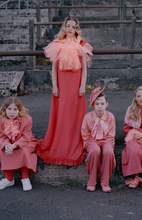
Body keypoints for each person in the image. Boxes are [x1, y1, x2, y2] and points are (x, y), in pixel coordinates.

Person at [37, 17, 93, 165]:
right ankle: (60, 141)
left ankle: (75, 141)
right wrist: (55, 86)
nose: (70, 29)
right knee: (62, 113)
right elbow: (54, 68)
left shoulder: (81, 45)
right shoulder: (57, 44)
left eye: (73, 27)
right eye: (68, 26)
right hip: (62, 83)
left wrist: (82, 86)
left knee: (75, 113)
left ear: (76, 29)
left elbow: (84, 70)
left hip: (76, 84)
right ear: (64, 27)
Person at [0, 96, 37, 191]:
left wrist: (14, 146)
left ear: (20, 110)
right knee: (2, 150)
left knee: (24, 151)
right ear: (5, 109)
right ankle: (9, 179)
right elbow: (2, 137)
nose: (12, 112)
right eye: (9, 109)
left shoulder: (27, 120)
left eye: (15, 109)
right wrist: (7, 146)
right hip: (9, 142)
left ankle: (25, 178)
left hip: (24, 141)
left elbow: (26, 137)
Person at [81, 87, 116, 192]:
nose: (99, 107)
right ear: (93, 105)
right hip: (91, 140)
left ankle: (105, 182)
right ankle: (92, 180)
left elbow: (111, 135)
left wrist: (105, 141)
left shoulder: (110, 116)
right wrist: (93, 141)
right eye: (97, 104)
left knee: (109, 152)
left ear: (107, 104)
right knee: (95, 151)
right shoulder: (87, 117)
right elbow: (85, 133)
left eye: (102, 104)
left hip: (106, 140)